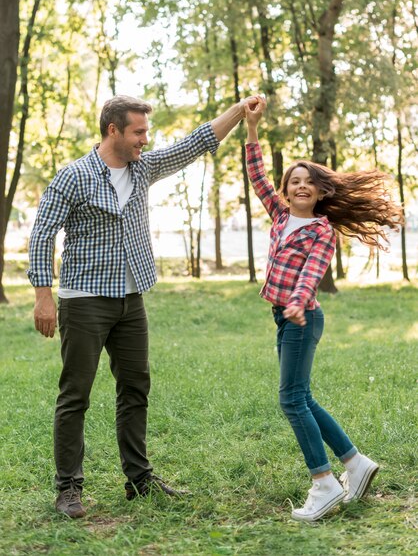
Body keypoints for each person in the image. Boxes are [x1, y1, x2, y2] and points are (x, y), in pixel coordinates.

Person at [28, 93, 259, 518]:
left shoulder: (144, 167)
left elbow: (194, 143)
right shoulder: (73, 177)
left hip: (131, 301)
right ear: (113, 129)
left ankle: (139, 479)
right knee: (75, 394)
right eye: (138, 132)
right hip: (84, 300)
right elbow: (42, 235)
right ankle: (68, 489)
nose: (144, 140)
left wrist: (240, 110)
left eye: (146, 132)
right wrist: (43, 297)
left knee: (135, 389)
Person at [244, 96, 403, 522]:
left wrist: (296, 303)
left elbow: (312, 273)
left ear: (320, 190)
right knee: (303, 397)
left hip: (302, 315)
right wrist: (253, 129)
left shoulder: (320, 229)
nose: (299, 186)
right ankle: (355, 464)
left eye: (307, 182)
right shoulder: (280, 216)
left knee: (291, 399)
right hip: (284, 316)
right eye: (293, 180)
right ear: (286, 189)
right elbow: (257, 176)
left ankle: (323, 483)